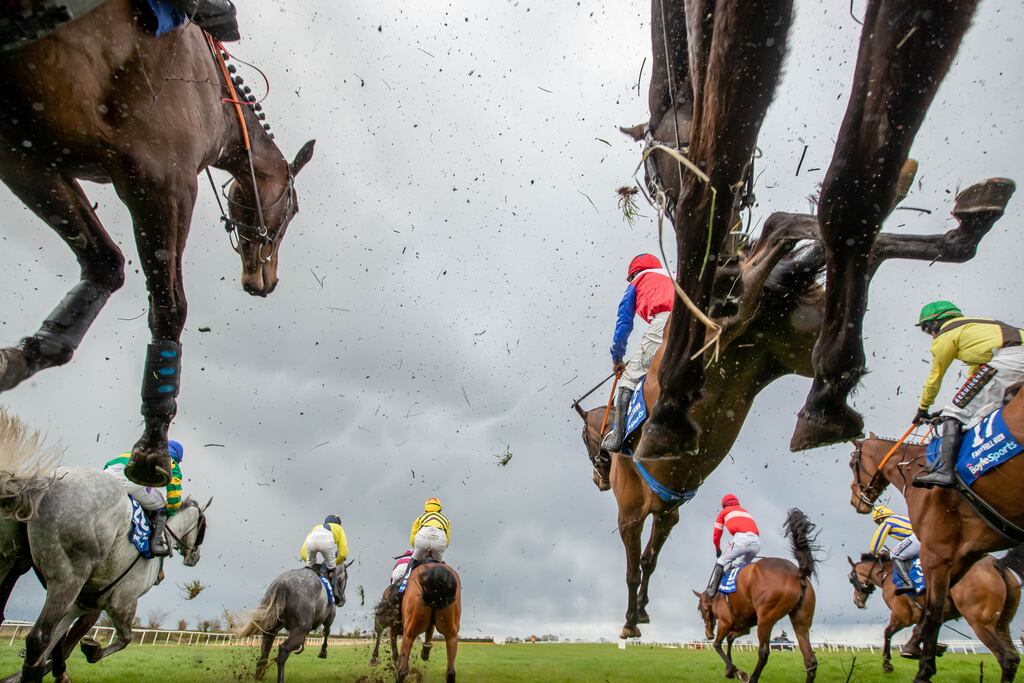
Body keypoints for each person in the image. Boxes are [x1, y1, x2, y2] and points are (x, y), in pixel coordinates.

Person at [911, 301, 1024, 488]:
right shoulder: (978, 325)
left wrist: (924, 408)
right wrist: (959, 401)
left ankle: (945, 472)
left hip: (1009, 362)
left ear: (934, 324)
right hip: (1010, 361)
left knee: (953, 413)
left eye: (927, 331)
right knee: (984, 410)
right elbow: (975, 374)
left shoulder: (945, 336)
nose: (931, 336)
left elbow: (935, 377)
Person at [601, 253, 675, 452]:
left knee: (629, 377)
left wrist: (617, 358)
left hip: (665, 322)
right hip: (694, 323)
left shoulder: (637, 282)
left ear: (634, 273)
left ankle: (617, 436)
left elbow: (623, 324)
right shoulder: (671, 276)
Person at [104, 440, 184, 557]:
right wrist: (170, 510)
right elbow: (174, 494)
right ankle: (155, 543)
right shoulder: (171, 462)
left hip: (107, 475)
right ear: (177, 458)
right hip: (130, 481)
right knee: (161, 504)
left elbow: (108, 465)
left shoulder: (138, 450)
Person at [704, 494, 760, 598]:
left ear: (724, 505)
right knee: (739, 566)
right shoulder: (745, 511)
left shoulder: (724, 512)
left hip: (741, 539)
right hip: (756, 542)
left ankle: (712, 591)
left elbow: (717, 534)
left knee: (721, 561)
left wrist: (717, 548)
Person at [870, 506, 918, 593]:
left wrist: (875, 552)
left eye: (877, 522)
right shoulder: (900, 517)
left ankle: (908, 583)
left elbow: (877, 540)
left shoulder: (887, 522)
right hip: (923, 535)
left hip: (917, 538)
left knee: (894, 555)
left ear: (880, 519)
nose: (878, 524)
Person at [300, 515, 349, 589]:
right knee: (332, 569)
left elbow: (303, 553)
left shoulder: (316, 527)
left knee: (309, 568)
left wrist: (311, 563)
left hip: (311, 543)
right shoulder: (339, 529)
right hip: (327, 542)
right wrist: (334, 564)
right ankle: (333, 596)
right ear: (339, 524)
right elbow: (342, 554)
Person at [409, 498, 451, 563]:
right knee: (442, 563)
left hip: (422, 539)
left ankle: (407, 572)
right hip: (439, 540)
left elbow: (413, 536)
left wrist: (417, 548)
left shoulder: (420, 517)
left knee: (414, 560)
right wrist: (438, 551)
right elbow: (447, 541)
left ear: (426, 507)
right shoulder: (446, 520)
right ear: (440, 508)